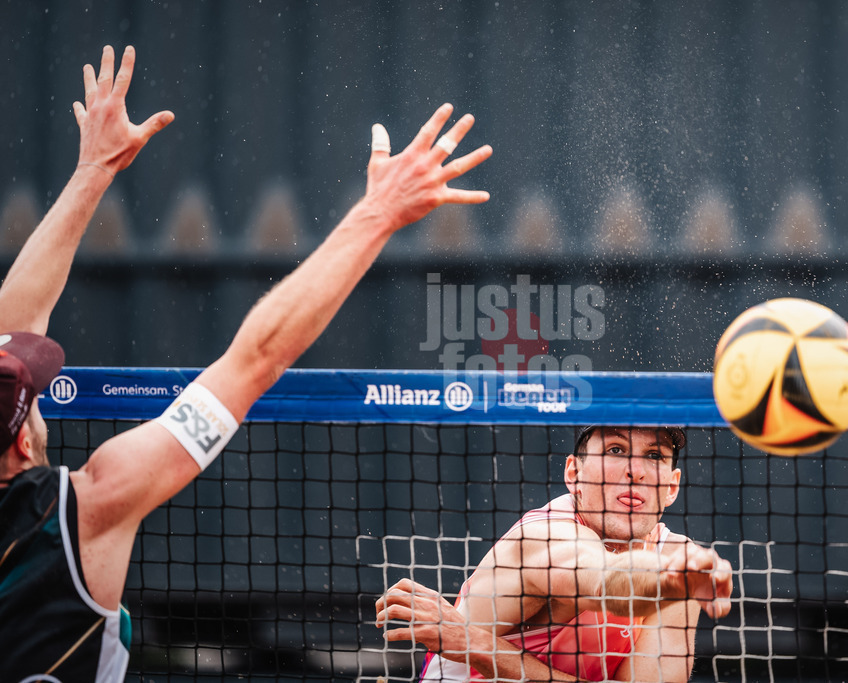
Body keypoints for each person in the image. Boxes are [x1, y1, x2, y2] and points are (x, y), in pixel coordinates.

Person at [0, 45, 491, 682]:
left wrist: (94, 168)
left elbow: (13, 327)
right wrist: (380, 213)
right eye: (33, 395)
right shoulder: (90, 507)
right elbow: (258, 358)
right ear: (22, 441)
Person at [377, 425, 734, 682]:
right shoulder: (546, 537)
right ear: (574, 473)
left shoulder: (678, 560)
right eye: (615, 450)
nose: (635, 471)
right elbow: (607, 581)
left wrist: (481, 647)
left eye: (654, 455)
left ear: (671, 487)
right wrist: (667, 582)